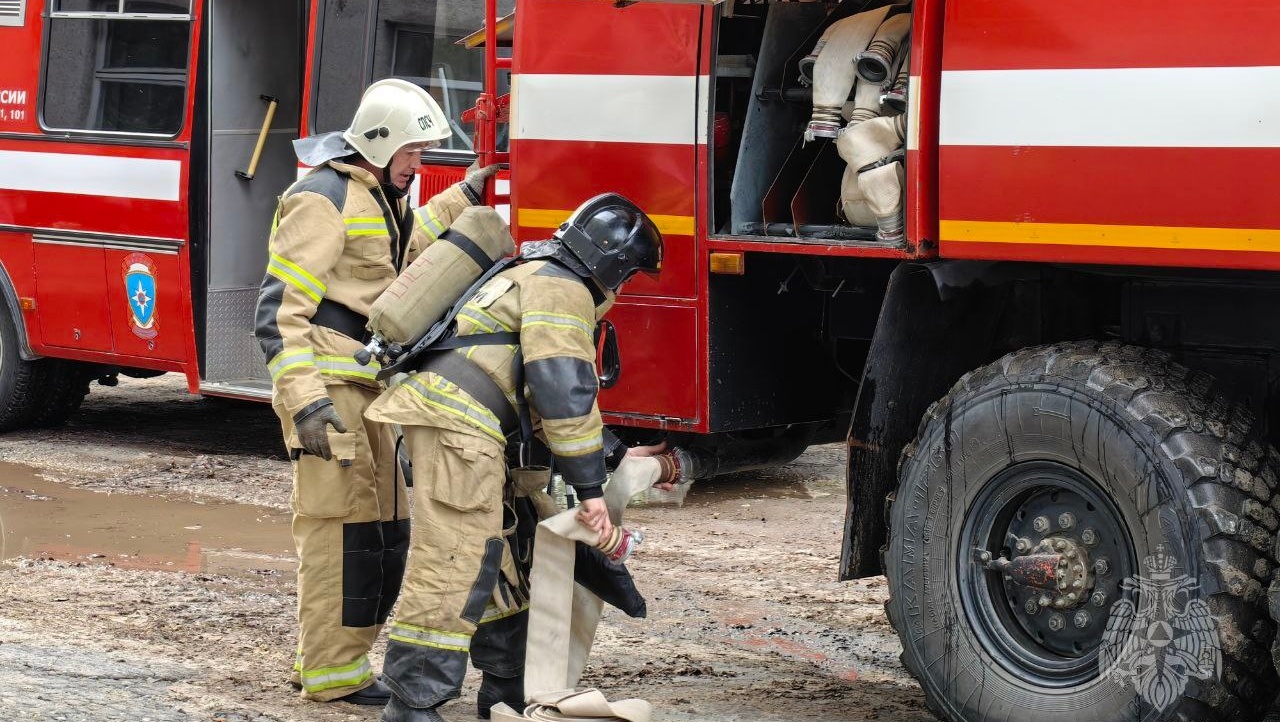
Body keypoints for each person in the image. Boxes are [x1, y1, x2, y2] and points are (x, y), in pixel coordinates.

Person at [362, 193, 664, 722]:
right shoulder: (563, 290)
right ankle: (411, 703)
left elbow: (535, 388)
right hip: (462, 432)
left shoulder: (535, 271)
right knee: (455, 561)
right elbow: (561, 390)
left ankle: (504, 689)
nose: (624, 287)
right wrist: (591, 495)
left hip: (462, 428)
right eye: (629, 274)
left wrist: (608, 454)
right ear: (612, 263)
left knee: (505, 557)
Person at [254, 78, 498, 706]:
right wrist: (306, 404)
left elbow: (411, 251)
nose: (419, 165)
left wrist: (470, 189)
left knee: (382, 534)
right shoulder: (321, 199)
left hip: (370, 392)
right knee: (341, 533)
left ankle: (337, 661)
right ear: (381, 143)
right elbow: (279, 315)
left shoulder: (381, 197)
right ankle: (331, 674)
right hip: (330, 395)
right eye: (414, 153)